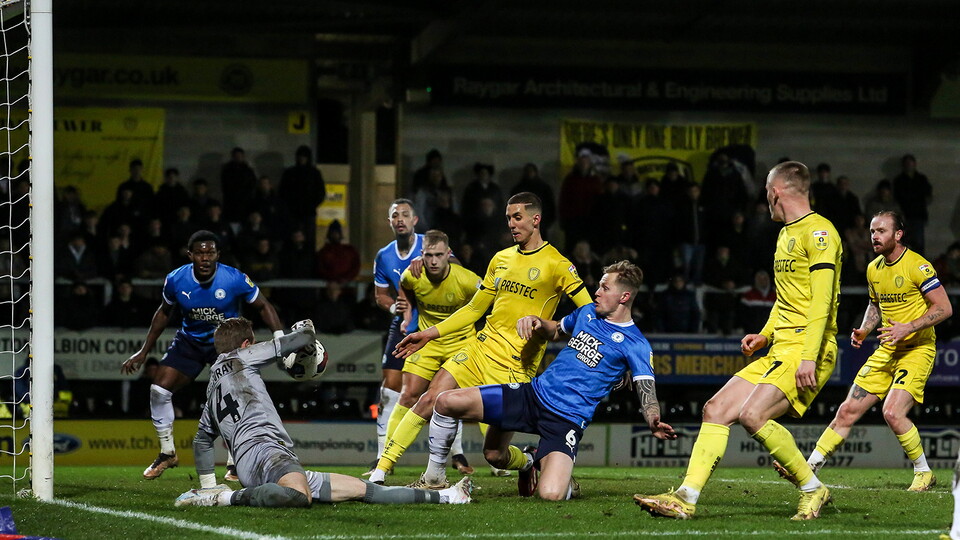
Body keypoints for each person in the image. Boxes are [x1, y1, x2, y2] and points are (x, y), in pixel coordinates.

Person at [635, 161, 842, 521]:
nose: (764, 198)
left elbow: (822, 302)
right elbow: (788, 299)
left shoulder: (820, 232)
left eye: (766, 191)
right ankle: (686, 496)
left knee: (752, 415)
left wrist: (809, 356)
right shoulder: (785, 234)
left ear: (775, 192)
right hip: (782, 347)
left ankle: (813, 490)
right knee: (715, 409)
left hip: (811, 348)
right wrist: (765, 334)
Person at [427, 261, 676, 500]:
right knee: (457, 413)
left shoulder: (636, 344)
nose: (596, 292)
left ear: (624, 297)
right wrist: (537, 322)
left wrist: (652, 418)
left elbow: (646, 389)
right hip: (533, 395)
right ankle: (440, 478)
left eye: (604, 288)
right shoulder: (587, 313)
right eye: (599, 286)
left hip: (565, 420)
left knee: (550, 494)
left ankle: (565, 482)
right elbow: (557, 330)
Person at [393, 192, 593, 489]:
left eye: (517, 217)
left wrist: (599, 348)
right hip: (481, 349)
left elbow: (588, 311)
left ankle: (529, 462)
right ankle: (418, 475)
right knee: (435, 398)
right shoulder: (501, 259)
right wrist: (428, 333)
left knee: (494, 454)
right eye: (508, 218)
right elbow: (474, 309)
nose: (511, 224)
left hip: (516, 366)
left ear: (536, 219)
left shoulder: (557, 264)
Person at [174, 317, 472, 508]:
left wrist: (206, 483)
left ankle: (447, 496)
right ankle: (224, 498)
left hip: (257, 461)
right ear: (247, 344)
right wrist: (304, 328)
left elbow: (201, 441)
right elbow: (302, 339)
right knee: (298, 497)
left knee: (364, 490)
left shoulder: (211, 388)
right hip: (267, 454)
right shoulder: (243, 356)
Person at [776, 211, 952, 492]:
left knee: (892, 412)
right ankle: (808, 468)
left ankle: (923, 472)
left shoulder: (918, 266)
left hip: (917, 348)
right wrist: (865, 329)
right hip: (888, 348)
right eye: (872, 231)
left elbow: (945, 308)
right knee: (847, 410)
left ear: (898, 234)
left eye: (881, 231)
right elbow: (875, 304)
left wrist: (908, 327)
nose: (874, 236)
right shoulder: (874, 268)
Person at [120, 230, 284, 480]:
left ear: (218, 254)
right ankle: (167, 453)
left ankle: (234, 462)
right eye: (199, 253)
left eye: (210, 252)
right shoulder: (176, 279)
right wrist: (144, 351)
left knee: (236, 399)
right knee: (159, 391)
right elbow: (164, 312)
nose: (205, 258)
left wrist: (280, 338)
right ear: (190, 255)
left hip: (226, 344)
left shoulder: (234, 278)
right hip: (190, 343)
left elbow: (263, 305)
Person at [367, 230, 482, 484]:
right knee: (407, 395)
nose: (433, 261)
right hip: (428, 342)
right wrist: (408, 318)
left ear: (448, 255)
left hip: (461, 343)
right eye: (428, 255)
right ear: (422, 255)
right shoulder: (412, 275)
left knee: (465, 399)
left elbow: (488, 301)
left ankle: (497, 459)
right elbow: (405, 290)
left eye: (439, 255)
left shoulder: (466, 280)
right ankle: (383, 463)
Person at [368, 199, 426, 473]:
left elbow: (456, 269)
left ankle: (456, 455)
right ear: (389, 222)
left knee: (443, 391)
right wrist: (393, 306)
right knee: (388, 390)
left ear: (415, 220)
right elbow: (380, 294)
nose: (400, 219)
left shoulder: (430, 246)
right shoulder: (383, 255)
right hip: (402, 326)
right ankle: (383, 458)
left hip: (434, 326)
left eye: (405, 214)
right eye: (395, 215)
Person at [279, 145, 326, 249]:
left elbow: (321, 193)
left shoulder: (314, 173)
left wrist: (311, 205)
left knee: (308, 240)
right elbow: (282, 193)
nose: (301, 159)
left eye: (304, 156)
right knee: (291, 239)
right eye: (300, 156)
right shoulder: (290, 173)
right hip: (293, 213)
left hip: (308, 213)